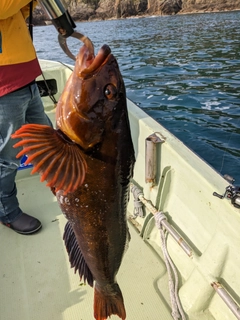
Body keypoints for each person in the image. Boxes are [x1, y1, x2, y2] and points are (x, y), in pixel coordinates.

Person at [0, 1, 52, 235]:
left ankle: (65, 188)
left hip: (27, 78)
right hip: (5, 86)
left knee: (49, 141)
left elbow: (17, 12)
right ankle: (7, 212)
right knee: (9, 157)